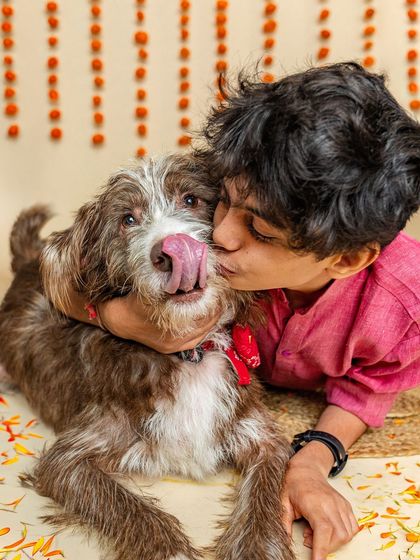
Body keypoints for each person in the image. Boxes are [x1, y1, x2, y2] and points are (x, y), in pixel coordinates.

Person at [65, 62, 420, 560]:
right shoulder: (198, 254)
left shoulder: (405, 306)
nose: (222, 235)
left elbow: (370, 386)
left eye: (260, 231)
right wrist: (118, 318)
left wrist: (311, 461)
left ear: (345, 259)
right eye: (223, 201)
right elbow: (62, 280)